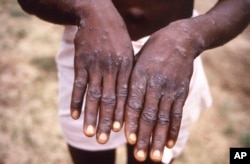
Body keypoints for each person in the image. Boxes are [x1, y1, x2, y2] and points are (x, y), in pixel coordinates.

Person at [17, 0, 250, 163]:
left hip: (173, 57)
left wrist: (190, 37)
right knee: (88, 152)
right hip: (92, 44)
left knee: (153, 155)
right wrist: (86, 6)